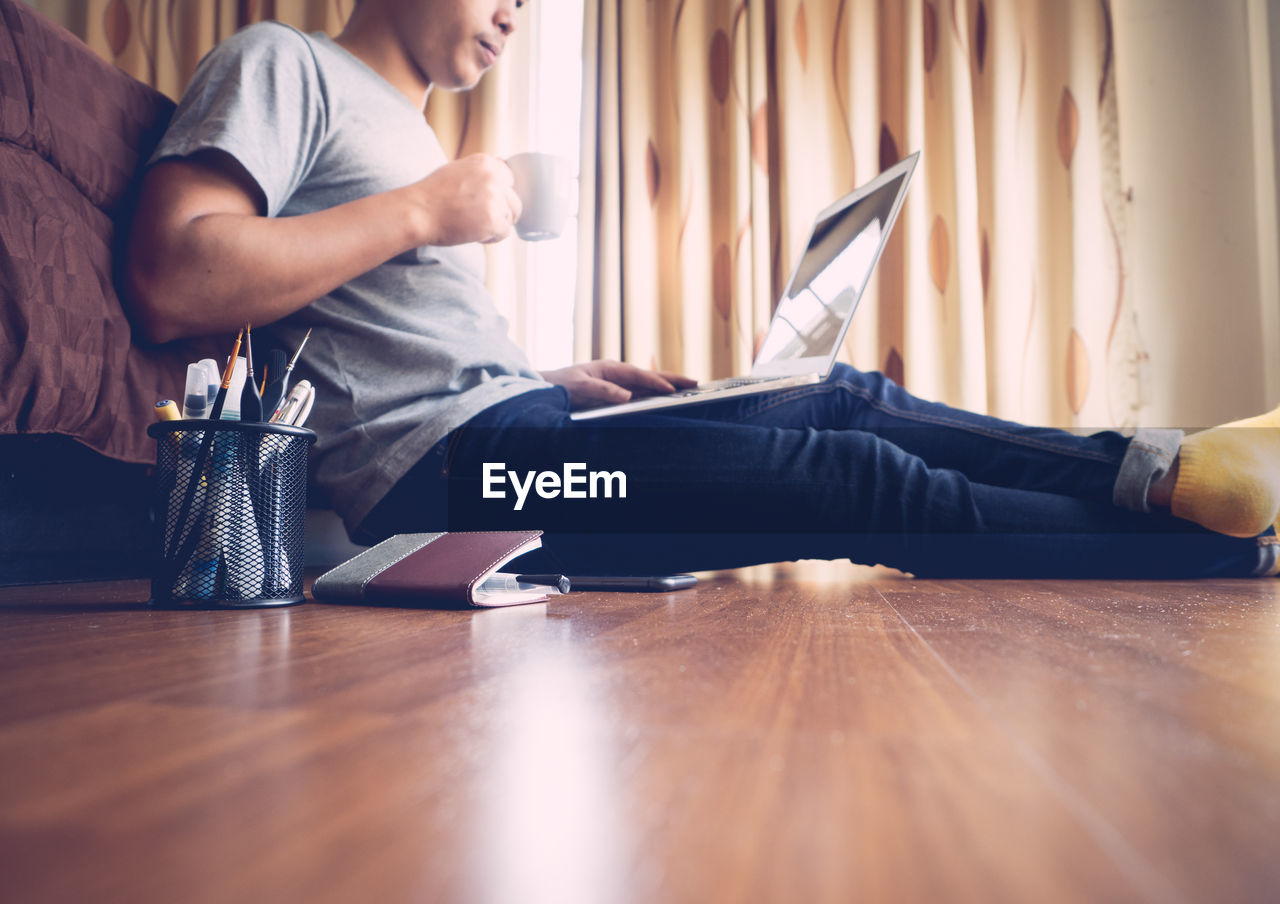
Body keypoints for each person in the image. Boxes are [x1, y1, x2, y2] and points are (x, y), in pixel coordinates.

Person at [126, 0, 1280, 579]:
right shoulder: (279, 62)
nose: (517, 12)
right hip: (447, 487)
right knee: (845, 475)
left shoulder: (413, 139)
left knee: (834, 398)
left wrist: (549, 379)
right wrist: (426, 213)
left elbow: (383, 343)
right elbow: (175, 278)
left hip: (514, 428)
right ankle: (1221, 550)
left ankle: (1165, 470)